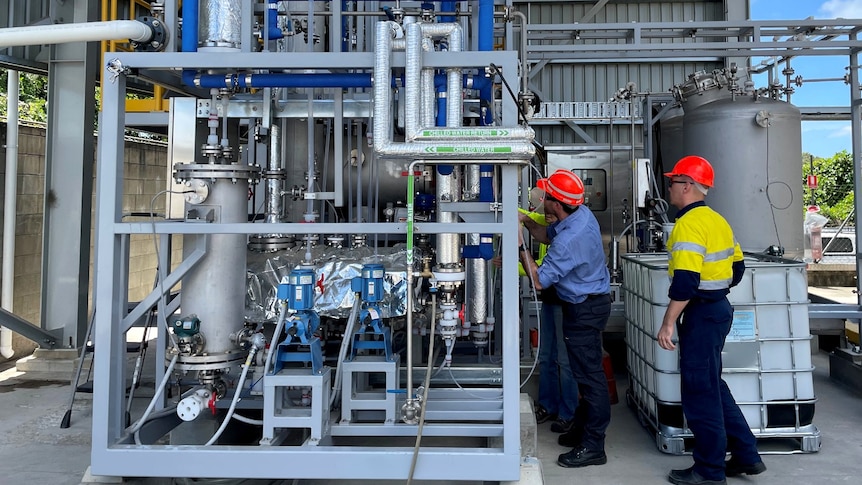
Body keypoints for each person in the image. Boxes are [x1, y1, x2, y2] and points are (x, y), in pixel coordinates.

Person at [656, 155, 766, 485]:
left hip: (702, 315)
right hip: (719, 310)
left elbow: (686, 282)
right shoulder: (718, 221)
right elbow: (737, 270)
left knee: (700, 393)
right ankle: (746, 454)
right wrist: (713, 289)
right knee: (713, 387)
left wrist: (668, 322)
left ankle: (709, 470)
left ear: (688, 186)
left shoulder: (688, 224)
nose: (670, 187)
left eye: (673, 181)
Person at [518, 169, 612, 468]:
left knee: (591, 380)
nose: (541, 199)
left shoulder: (570, 240)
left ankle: (594, 446)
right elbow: (545, 232)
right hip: (587, 305)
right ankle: (583, 431)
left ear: (556, 204)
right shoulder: (580, 214)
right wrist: (525, 221)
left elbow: (539, 281)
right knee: (586, 375)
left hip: (584, 310)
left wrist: (520, 247)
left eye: (546, 197)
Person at [518, 189, 580, 435]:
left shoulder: (569, 235)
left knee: (565, 361)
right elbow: (538, 226)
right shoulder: (554, 225)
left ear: (559, 205)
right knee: (546, 355)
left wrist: (520, 252)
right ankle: (547, 404)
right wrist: (521, 218)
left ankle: (568, 413)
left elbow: (541, 277)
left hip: (566, 301)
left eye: (546, 203)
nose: (544, 209)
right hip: (551, 300)